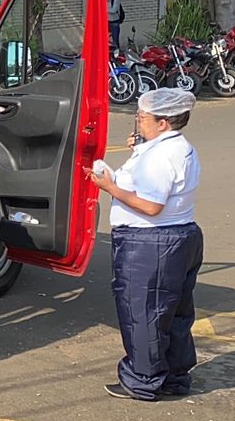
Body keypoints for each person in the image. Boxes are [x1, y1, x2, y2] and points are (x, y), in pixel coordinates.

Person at [83, 88, 203, 401]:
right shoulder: (175, 148)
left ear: (163, 122)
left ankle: (143, 380)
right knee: (173, 313)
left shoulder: (162, 156)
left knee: (144, 313)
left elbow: (151, 206)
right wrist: (141, 150)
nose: (138, 121)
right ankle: (173, 376)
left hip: (151, 242)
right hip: (177, 237)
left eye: (143, 117)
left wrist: (108, 187)